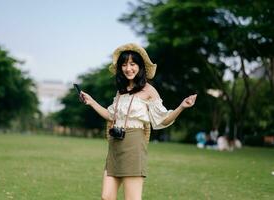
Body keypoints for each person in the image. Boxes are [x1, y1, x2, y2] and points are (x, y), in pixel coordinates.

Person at [80, 43, 197, 200]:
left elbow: (163, 119)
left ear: (140, 66)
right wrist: (92, 102)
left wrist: (181, 107)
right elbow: (111, 115)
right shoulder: (120, 91)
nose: (128, 68)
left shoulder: (149, 90)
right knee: (106, 197)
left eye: (132, 64)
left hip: (134, 144)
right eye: (124, 64)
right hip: (115, 144)